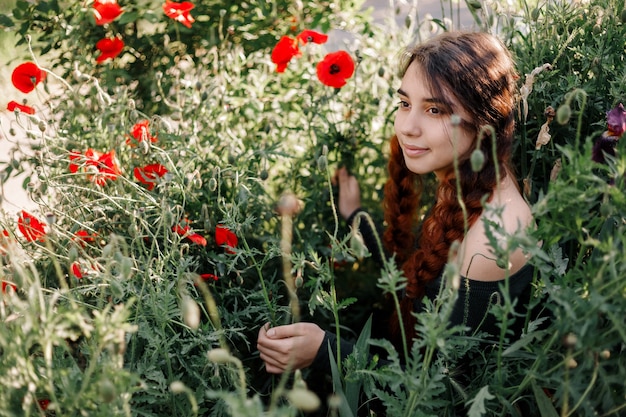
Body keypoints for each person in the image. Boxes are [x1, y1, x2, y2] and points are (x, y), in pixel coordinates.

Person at [257, 31, 534, 375]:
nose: (407, 127)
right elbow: (417, 274)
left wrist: (323, 351)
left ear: (484, 118)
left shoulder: (492, 240)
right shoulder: (466, 182)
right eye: (404, 104)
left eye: (434, 110)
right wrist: (357, 217)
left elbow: (439, 391)